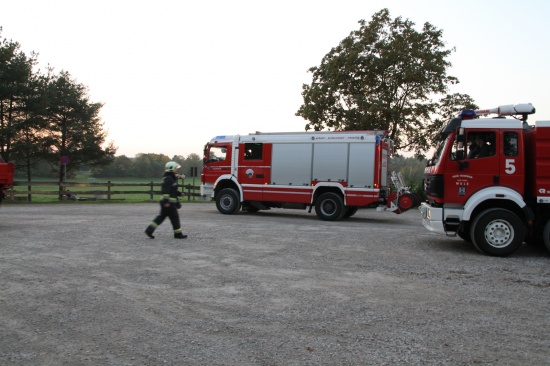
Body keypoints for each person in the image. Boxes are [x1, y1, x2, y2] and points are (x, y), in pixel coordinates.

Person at [145, 161, 187, 239]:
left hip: (168, 203)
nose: (176, 170)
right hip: (169, 203)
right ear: (171, 169)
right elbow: (166, 190)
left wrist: (179, 194)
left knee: (161, 217)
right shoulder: (169, 178)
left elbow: (172, 190)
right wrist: (166, 201)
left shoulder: (170, 178)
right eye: (175, 168)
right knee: (175, 218)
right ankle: (178, 234)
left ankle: (149, 230)